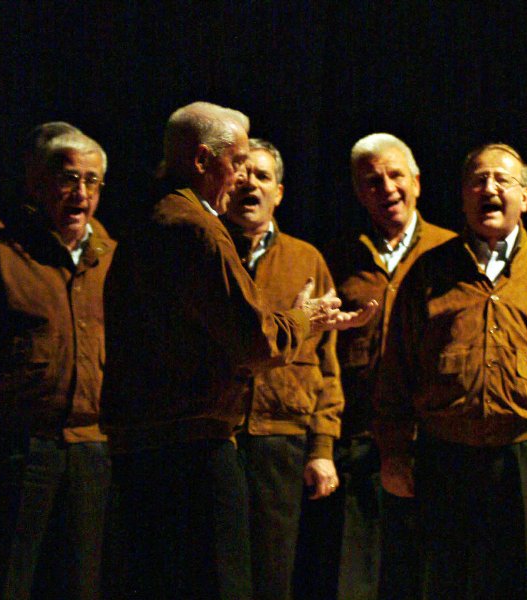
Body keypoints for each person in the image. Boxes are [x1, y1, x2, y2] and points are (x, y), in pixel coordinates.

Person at [100, 101, 376, 600]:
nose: (241, 177)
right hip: (191, 447)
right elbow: (255, 341)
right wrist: (306, 319)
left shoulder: (149, 220)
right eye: (237, 162)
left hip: (154, 443)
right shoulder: (195, 228)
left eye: (257, 170)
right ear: (203, 160)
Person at [373, 143, 527, 600]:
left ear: (525, 197)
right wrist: (394, 452)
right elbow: (396, 370)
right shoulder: (429, 271)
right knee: (445, 584)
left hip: (526, 460)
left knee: (523, 584)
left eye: (502, 181)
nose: (489, 189)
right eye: (478, 181)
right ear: (462, 196)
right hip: (444, 460)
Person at [294, 133, 455, 600]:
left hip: (431, 447)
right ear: (358, 193)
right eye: (372, 181)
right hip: (357, 445)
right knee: (354, 579)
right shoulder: (336, 258)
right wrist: (322, 445)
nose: (386, 189)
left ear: (417, 182)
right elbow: (320, 359)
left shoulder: (451, 253)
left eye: (395, 176)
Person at [0, 128, 115, 600]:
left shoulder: (113, 261)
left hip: (91, 449)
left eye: (91, 181)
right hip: (19, 447)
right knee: (8, 579)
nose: (80, 192)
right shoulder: (2, 253)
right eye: (67, 179)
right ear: (38, 184)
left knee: (80, 583)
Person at [224, 138, 344, 600]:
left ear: (279, 192)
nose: (250, 184)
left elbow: (327, 362)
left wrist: (322, 448)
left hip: (282, 440)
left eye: (262, 176)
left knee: (273, 574)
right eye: (241, 174)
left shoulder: (306, 259)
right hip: (216, 434)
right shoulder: (206, 251)